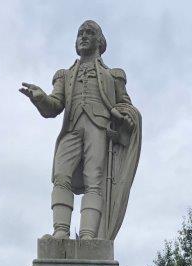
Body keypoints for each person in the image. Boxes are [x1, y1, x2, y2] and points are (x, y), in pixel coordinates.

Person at [20, 20, 141, 241]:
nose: (84, 36)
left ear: (100, 41)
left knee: (94, 180)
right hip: (72, 128)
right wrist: (40, 99)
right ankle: (61, 231)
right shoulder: (64, 75)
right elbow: (54, 106)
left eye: (89, 33)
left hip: (99, 127)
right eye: (80, 33)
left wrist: (124, 119)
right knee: (61, 175)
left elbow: (126, 106)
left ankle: (88, 236)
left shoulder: (114, 75)